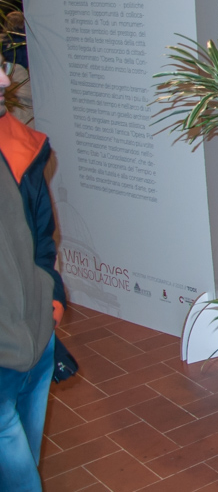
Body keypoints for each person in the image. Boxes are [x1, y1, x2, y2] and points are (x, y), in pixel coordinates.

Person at [0, 63, 63, 492]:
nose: (6, 81)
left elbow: (43, 237)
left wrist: (52, 301)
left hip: (37, 340)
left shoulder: (20, 145)